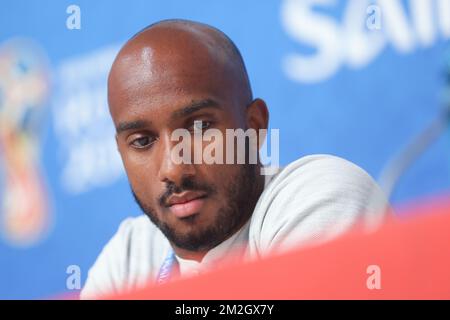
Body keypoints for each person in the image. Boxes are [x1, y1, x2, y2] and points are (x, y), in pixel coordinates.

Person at [80, 19, 390, 299]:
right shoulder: (129, 257)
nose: (173, 168)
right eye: (143, 141)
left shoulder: (321, 195)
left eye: (199, 128)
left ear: (253, 127)